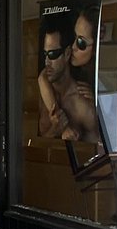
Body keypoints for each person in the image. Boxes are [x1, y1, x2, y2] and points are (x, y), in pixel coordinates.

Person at [37, 12, 100, 143]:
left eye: (53, 54)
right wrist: (56, 130)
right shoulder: (44, 91)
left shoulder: (82, 105)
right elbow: (38, 145)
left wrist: (73, 142)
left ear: (67, 54)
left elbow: (96, 152)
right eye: (45, 54)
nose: (47, 62)